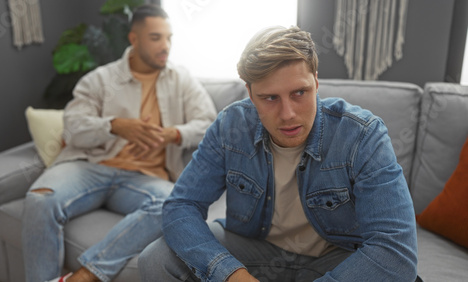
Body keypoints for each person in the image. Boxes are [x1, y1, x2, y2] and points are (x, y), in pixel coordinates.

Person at [138, 25, 419, 282]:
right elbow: (181, 205)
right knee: (156, 259)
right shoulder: (230, 126)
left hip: (338, 260)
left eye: (299, 93)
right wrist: (229, 273)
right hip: (254, 251)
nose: (288, 115)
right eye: (270, 98)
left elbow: (394, 250)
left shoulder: (362, 135)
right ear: (249, 93)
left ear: (316, 82)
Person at [21, 4, 217, 282]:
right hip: (90, 167)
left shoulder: (181, 79)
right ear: (133, 39)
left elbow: (209, 124)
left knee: (171, 205)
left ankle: (85, 276)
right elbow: (74, 128)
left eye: (169, 37)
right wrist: (115, 125)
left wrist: (172, 134)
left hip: (145, 179)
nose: (165, 46)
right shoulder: (100, 80)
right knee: (40, 198)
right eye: (155, 38)